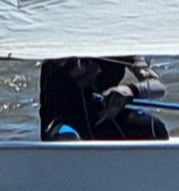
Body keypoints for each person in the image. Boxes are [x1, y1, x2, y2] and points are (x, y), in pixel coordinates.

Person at [37, 55, 168, 140]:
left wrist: (131, 90)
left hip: (103, 117)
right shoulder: (61, 46)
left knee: (153, 127)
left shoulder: (123, 48)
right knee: (68, 138)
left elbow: (158, 87)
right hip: (63, 120)